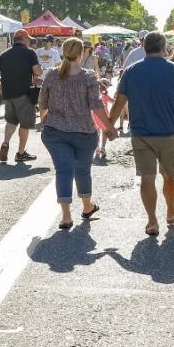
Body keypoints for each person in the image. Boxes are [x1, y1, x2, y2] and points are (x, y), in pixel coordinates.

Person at [108, 32, 174, 236]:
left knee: (147, 178)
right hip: (168, 133)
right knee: (170, 175)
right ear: (164, 47)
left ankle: (152, 221)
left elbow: (119, 102)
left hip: (141, 133)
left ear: (144, 47)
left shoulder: (131, 71)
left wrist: (110, 126)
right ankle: (169, 212)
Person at [39, 37, 116, 230]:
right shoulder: (88, 76)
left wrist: (44, 120)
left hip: (55, 131)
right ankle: (87, 206)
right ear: (81, 53)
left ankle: (66, 216)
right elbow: (96, 105)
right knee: (82, 170)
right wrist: (109, 127)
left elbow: (42, 102)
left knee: (63, 171)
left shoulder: (51, 75)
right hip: (84, 131)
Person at [0, 30, 43, 164]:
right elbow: (38, 72)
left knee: (11, 121)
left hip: (8, 95)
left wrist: (1, 90)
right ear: (23, 39)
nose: (30, 41)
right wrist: (40, 70)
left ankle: (5, 143)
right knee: (25, 124)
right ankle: (21, 153)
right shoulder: (30, 53)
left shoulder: (4, 54)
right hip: (24, 93)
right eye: (28, 39)